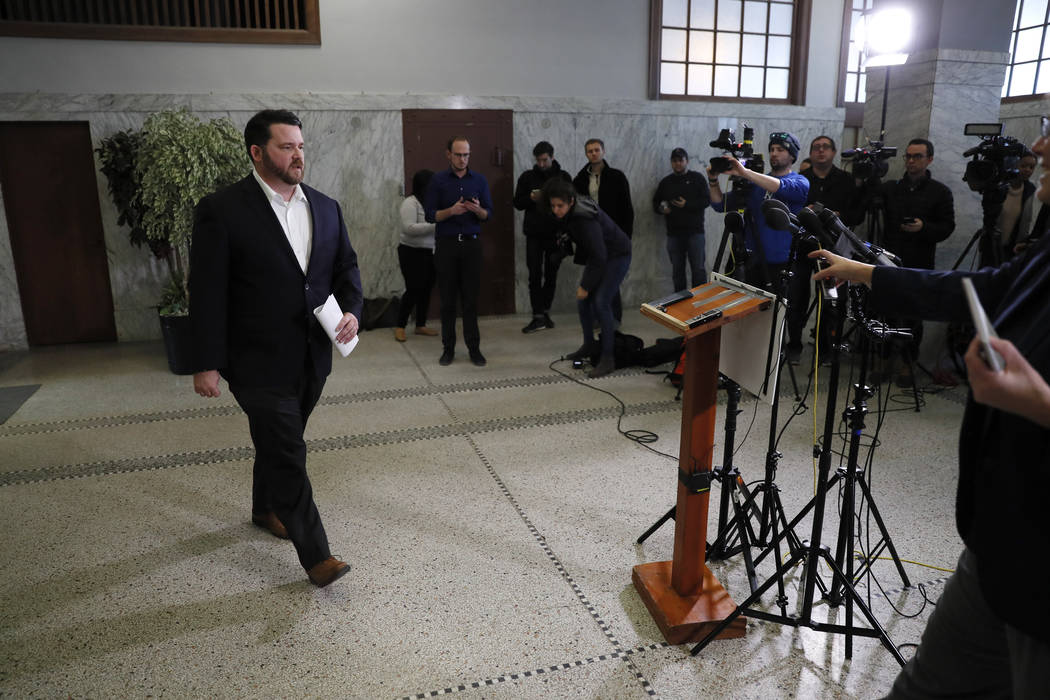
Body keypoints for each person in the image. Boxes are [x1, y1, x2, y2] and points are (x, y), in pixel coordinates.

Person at [809, 124, 1050, 697]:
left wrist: (1039, 404)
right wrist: (868, 273)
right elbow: (980, 286)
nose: (1038, 150)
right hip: (998, 545)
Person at [189, 109, 362, 588]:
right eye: (287, 147)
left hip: (312, 356)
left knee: (278, 440)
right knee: (288, 448)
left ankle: (265, 508)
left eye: (301, 146)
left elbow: (346, 270)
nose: (298, 155)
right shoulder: (222, 209)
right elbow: (205, 291)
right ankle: (317, 557)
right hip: (255, 360)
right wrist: (206, 363)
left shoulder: (326, 207)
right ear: (257, 152)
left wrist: (352, 312)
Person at [709, 131, 810, 362]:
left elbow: (779, 187)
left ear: (792, 155)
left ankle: (774, 360)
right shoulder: (754, 183)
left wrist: (746, 172)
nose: (775, 153)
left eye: (780, 150)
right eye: (772, 149)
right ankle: (744, 360)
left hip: (781, 262)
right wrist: (713, 179)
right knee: (746, 314)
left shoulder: (800, 181)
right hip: (751, 259)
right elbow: (719, 204)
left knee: (778, 317)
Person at [880, 138, 956, 384]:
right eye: (908, 156)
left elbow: (947, 227)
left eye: (917, 156)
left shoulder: (940, 192)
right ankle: (884, 360)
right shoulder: (892, 188)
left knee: (914, 316)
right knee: (885, 311)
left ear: (929, 159)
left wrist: (924, 228)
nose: (911, 161)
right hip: (889, 259)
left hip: (919, 261)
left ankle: (907, 363)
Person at [542, 178, 631, 378]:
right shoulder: (570, 211)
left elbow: (600, 256)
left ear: (571, 202)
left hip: (617, 254)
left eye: (560, 206)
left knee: (601, 302)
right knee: (583, 302)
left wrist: (586, 285)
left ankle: (608, 358)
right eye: (553, 206)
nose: (556, 210)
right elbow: (574, 237)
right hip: (600, 255)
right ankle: (589, 345)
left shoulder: (583, 219)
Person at [423, 136, 494, 367]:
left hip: (472, 245)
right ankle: (448, 349)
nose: (462, 159)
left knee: (471, 300)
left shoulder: (480, 181)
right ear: (449, 155)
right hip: (447, 245)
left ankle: (474, 348)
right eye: (458, 155)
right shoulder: (438, 180)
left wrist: (477, 209)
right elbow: (430, 215)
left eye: (466, 155)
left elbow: (488, 214)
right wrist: (451, 211)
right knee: (448, 301)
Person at [802, 135, 860, 359]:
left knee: (833, 300)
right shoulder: (802, 179)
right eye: (816, 147)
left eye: (825, 147)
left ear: (834, 152)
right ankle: (795, 344)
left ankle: (827, 347)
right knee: (797, 299)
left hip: (836, 249)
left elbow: (857, 213)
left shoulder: (846, 180)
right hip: (805, 246)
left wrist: (837, 216)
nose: (820, 151)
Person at [513, 141, 572, 333]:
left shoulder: (563, 177)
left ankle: (545, 311)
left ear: (552, 157)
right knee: (534, 275)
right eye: (538, 160)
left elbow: (571, 203)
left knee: (552, 274)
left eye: (544, 160)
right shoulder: (527, 177)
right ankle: (537, 315)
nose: (541, 164)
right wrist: (530, 198)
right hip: (534, 234)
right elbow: (517, 203)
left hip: (556, 233)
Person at [574, 138, 634, 323]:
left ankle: (613, 318)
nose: (593, 153)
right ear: (586, 154)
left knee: (611, 280)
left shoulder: (616, 176)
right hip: (591, 235)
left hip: (613, 235)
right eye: (590, 151)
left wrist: (625, 236)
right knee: (594, 278)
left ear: (603, 151)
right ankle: (596, 318)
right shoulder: (580, 179)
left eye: (596, 150)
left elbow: (627, 209)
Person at [653, 147, 711, 290]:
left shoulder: (697, 178)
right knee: (677, 272)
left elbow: (706, 201)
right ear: (671, 163)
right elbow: (656, 203)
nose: (678, 164)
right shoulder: (666, 182)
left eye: (680, 160)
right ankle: (680, 306)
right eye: (674, 161)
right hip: (674, 234)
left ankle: (700, 304)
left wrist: (687, 204)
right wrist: (662, 209)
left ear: (687, 161)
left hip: (695, 233)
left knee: (698, 270)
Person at [395, 169, 438, 342]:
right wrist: (436, 225)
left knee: (427, 289)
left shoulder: (433, 201)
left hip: (430, 252)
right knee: (413, 289)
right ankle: (400, 326)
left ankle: (420, 325)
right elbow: (409, 228)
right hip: (410, 252)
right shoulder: (410, 203)